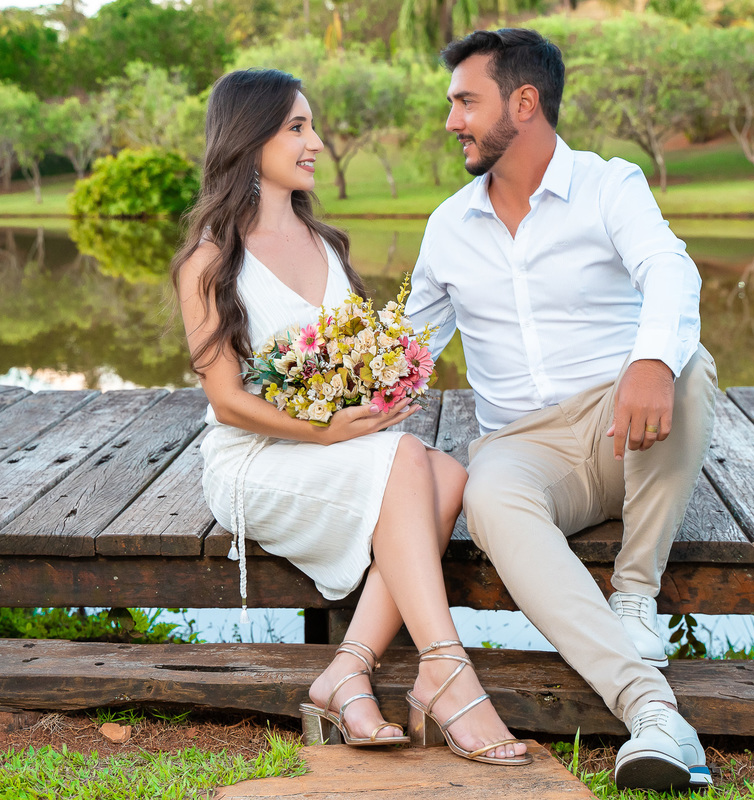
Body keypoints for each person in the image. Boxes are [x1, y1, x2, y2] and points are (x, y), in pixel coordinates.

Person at [171, 68, 530, 766]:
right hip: (255, 458)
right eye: (298, 128)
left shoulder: (329, 246)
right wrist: (322, 429)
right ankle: (448, 670)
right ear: (251, 137)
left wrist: (381, 393)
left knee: (448, 471)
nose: (316, 143)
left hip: (332, 445)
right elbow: (226, 400)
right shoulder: (211, 261)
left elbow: (348, 367)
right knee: (405, 460)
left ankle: (347, 670)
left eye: (312, 127)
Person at [406, 29, 718, 791]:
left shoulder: (611, 185)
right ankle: (652, 713)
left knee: (686, 363)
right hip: (522, 446)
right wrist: (316, 402)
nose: (453, 121)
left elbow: (669, 269)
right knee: (489, 492)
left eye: (465, 101)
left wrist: (649, 361)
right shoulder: (449, 224)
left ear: (524, 101)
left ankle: (635, 597)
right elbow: (407, 351)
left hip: (627, 430)